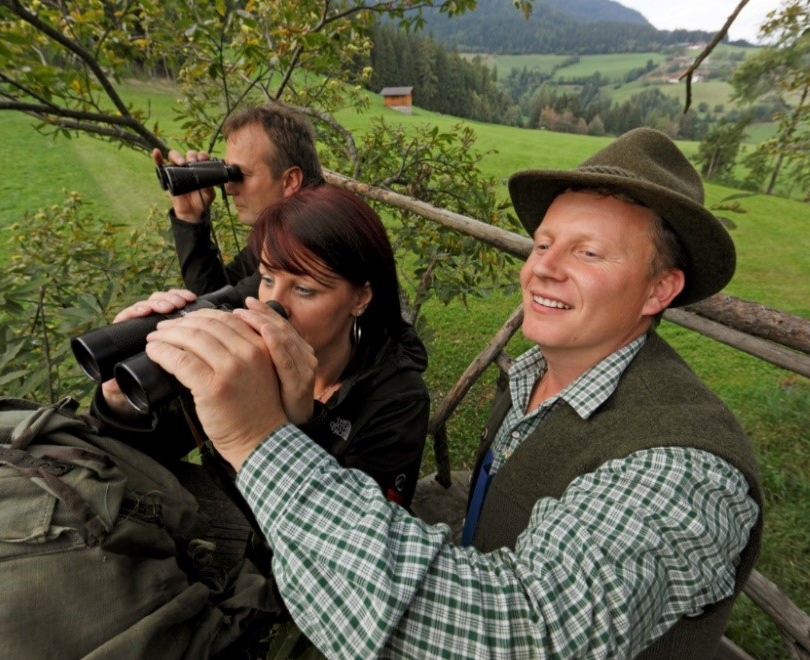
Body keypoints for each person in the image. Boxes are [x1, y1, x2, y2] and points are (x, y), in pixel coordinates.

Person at [137, 128, 764, 658]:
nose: (543, 266)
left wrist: (262, 440)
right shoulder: (534, 379)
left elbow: (520, 629)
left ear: (659, 290)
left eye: (589, 252)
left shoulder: (684, 467)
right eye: (543, 243)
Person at [92, 185, 429, 509]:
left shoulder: (397, 400)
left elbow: (363, 548)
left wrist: (296, 427)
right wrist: (123, 403)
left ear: (360, 298)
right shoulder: (250, 356)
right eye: (268, 279)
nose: (273, 305)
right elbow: (149, 454)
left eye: (305, 290)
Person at [154, 102, 325, 296]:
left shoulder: (311, 239)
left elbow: (223, 312)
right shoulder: (284, 226)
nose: (228, 188)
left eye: (240, 174)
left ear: (290, 181)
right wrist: (189, 216)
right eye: (228, 172)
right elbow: (214, 293)